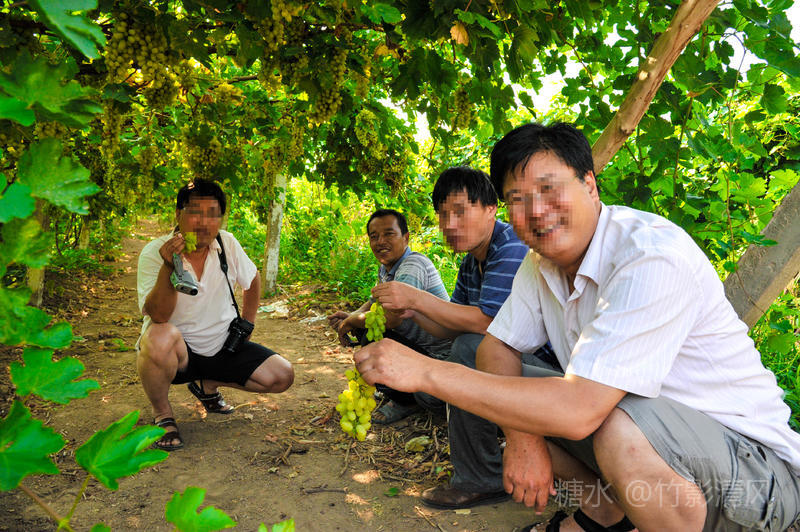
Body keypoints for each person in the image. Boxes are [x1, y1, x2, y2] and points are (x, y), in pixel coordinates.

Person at [354, 122, 800, 531]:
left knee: (613, 421)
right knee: (500, 380)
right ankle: (605, 513)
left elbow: (580, 409)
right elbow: (495, 348)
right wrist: (524, 439)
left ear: (589, 184)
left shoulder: (649, 255)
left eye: (549, 189)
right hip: (662, 450)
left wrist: (426, 372)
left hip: (756, 478)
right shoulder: (540, 264)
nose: (536, 211)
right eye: (517, 199)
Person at [371, 166, 551, 509]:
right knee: (435, 383)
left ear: (491, 209)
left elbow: (488, 324)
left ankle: (481, 478)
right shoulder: (472, 261)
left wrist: (417, 298)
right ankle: (493, 445)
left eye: (460, 212)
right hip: (517, 371)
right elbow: (452, 326)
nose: (449, 224)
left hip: (553, 375)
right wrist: (410, 313)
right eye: (442, 215)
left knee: (470, 350)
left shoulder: (511, 246)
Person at [136, 178, 294, 451]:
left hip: (223, 347)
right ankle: (163, 414)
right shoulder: (155, 253)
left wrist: (247, 323)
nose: (204, 223)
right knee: (158, 336)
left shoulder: (227, 244)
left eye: (213, 214)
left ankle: (207, 384)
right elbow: (158, 315)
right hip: (179, 355)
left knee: (282, 375)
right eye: (195, 213)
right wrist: (169, 266)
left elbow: (252, 279)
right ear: (178, 215)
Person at [328, 208, 452, 423]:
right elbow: (374, 303)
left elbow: (392, 318)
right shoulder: (387, 268)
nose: (380, 242)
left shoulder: (413, 265)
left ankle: (407, 400)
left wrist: (351, 321)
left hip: (440, 359)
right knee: (364, 328)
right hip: (419, 349)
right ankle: (399, 388)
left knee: (373, 337)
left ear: (406, 237)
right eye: (374, 237)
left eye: (388, 234)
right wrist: (352, 316)